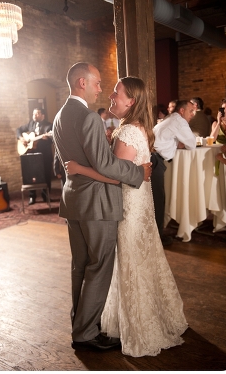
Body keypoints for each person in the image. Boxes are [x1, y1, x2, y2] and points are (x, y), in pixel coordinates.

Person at [66, 77, 188, 357]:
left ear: (131, 101)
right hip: (138, 204)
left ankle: (135, 323)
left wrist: (79, 169)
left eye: (116, 93)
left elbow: (115, 176)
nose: (110, 96)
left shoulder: (127, 132)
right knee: (140, 260)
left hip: (127, 207)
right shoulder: (137, 128)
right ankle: (148, 315)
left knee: (128, 261)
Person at [52, 63, 149, 352]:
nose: (100, 89)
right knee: (99, 266)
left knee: (80, 266)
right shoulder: (89, 117)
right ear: (82, 83)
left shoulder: (59, 115)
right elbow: (105, 165)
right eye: (96, 83)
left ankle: (79, 325)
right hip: (97, 203)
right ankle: (85, 333)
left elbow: (69, 162)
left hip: (73, 201)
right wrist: (138, 172)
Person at [153, 100, 198, 244]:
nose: (192, 114)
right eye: (190, 111)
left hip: (153, 157)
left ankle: (156, 235)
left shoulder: (171, 118)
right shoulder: (180, 121)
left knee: (157, 199)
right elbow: (192, 144)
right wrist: (179, 143)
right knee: (158, 201)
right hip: (155, 160)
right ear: (182, 111)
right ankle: (157, 238)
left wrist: (176, 143)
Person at [16, 107, 53, 203]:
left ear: (43, 115)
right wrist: (21, 138)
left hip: (45, 155)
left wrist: (47, 139)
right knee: (31, 175)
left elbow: (53, 139)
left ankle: (46, 196)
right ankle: (32, 197)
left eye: (37, 114)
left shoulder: (49, 126)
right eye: (33, 114)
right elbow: (19, 130)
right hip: (32, 155)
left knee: (46, 176)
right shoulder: (30, 123)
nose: (34, 116)